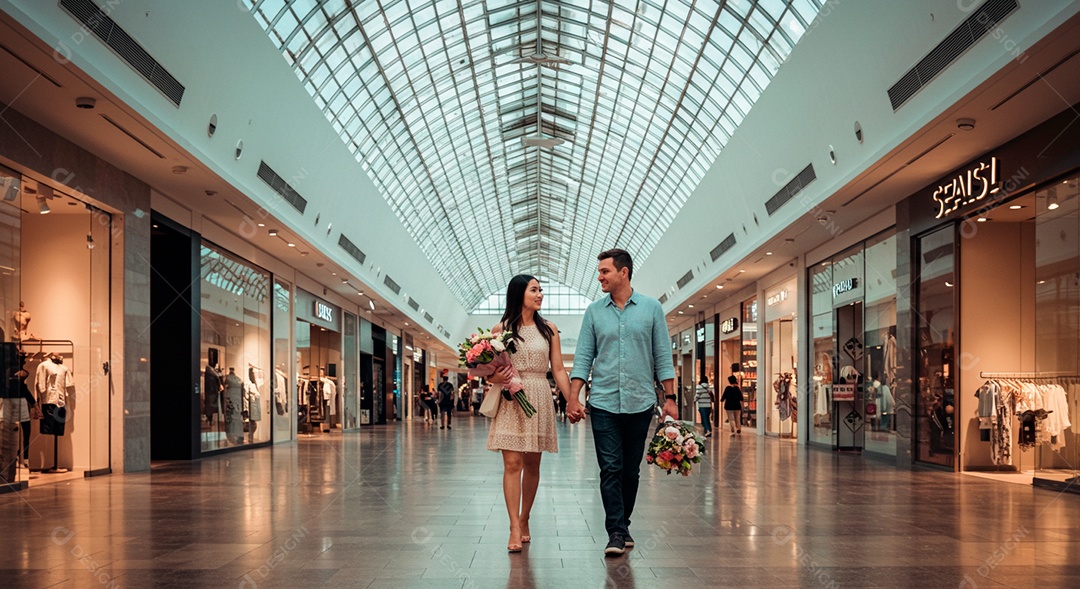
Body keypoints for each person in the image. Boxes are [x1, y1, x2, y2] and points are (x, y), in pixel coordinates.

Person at [565, 248, 676, 557]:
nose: (599, 277)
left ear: (623, 272)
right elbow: (584, 357)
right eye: (599, 272)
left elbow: (663, 358)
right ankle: (615, 531)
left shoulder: (652, 309)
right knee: (610, 468)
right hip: (602, 403)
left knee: (630, 471)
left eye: (604, 272)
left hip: (640, 402)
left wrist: (671, 399)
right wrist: (574, 397)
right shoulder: (594, 312)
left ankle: (623, 523)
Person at [487, 274, 572, 553]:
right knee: (512, 464)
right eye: (534, 290)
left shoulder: (549, 329)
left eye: (541, 290)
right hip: (511, 399)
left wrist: (572, 399)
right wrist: (498, 377)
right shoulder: (501, 329)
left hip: (538, 395)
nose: (540, 295)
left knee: (533, 465)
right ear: (519, 294)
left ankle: (525, 518)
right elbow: (488, 374)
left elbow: (558, 369)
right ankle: (513, 524)